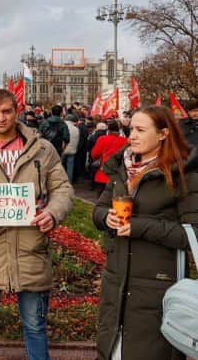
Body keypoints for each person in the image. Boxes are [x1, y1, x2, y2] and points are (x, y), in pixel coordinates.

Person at [0, 89, 73, 360]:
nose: (1, 118)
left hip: (31, 248)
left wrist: (53, 213)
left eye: (6, 111)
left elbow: (63, 189)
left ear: (16, 110)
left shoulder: (43, 149)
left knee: (35, 325)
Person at [93, 105, 198, 360]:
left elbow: (191, 235)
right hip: (116, 280)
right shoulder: (121, 167)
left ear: (163, 133)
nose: (132, 136)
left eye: (141, 130)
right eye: (131, 130)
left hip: (158, 284)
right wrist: (106, 218)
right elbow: (98, 210)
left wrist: (139, 227)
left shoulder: (184, 173)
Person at [90, 121, 127, 195]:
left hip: (104, 170)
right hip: (118, 171)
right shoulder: (124, 140)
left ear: (108, 130)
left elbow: (94, 154)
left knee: (101, 194)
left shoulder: (102, 139)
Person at [62, 114, 80, 182]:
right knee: (70, 167)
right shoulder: (76, 129)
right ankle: (69, 181)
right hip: (72, 151)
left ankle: (62, 182)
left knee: (61, 166)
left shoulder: (63, 126)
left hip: (64, 150)